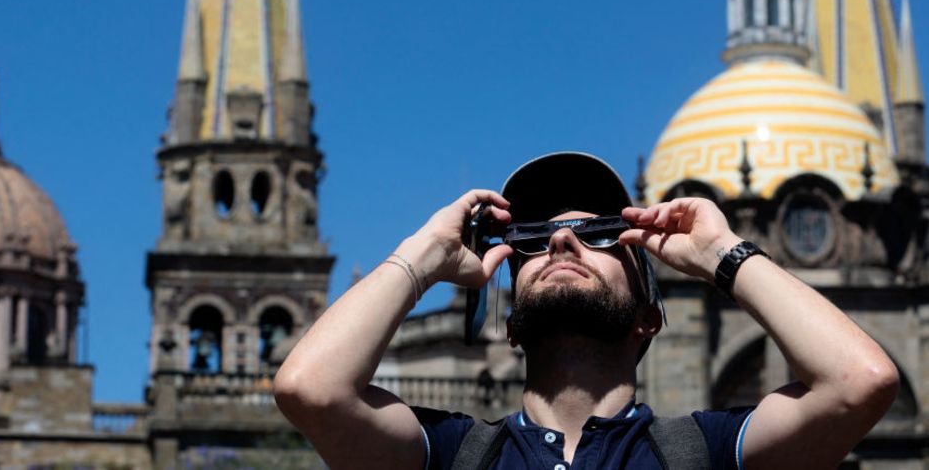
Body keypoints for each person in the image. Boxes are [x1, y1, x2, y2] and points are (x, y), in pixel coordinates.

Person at [274, 152, 898, 469]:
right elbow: (310, 388)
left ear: (647, 316)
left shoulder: (705, 453)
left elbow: (859, 382)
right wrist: (423, 254)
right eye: (534, 238)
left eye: (601, 232)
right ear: (510, 322)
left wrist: (722, 255)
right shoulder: (454, 454)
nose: (561, 240)